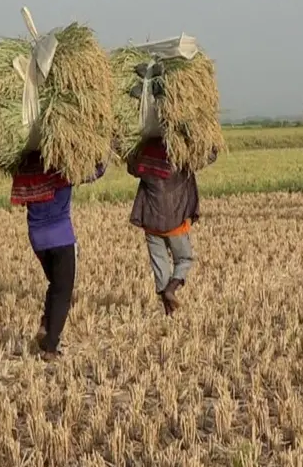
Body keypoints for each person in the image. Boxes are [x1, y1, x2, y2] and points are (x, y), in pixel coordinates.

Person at [11, 152, 105, 361]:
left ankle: (46, 325)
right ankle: (51, 347)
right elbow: (95, 172)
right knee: (64, 290)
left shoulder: (26, 169)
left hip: (37, 239)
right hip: (61, 238)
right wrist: (105, 151)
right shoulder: (62, 168)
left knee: (55, 283)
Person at [125, 137, 210, 315]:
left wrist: (122, 142)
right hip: (176, 222)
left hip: (151, 221)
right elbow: (207, 157)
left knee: (160, 265)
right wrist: (210, 138)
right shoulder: (180, 158)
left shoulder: (145, 157)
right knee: (184, 259)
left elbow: (130, 163)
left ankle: (169, 312)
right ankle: (171, 289)